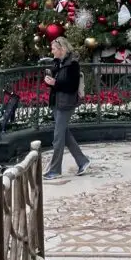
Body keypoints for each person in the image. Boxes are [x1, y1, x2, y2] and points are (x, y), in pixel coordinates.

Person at [42, 37, 90, 179]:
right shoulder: (57, 62)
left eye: (54, 49)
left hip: (66, 104)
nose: (52, 51)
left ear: (62, 49)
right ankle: (83, 161)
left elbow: (71, 86)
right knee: (65, 135)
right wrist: (49, 81)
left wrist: (55, 83)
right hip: (57, 102)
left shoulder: (72, 64)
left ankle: (55, 170)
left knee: (58, 137)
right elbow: (56, 82)